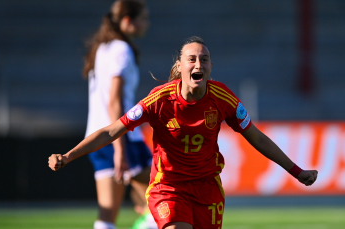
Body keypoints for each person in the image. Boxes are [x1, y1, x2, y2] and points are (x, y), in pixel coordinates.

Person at [49, 36, 318, 229]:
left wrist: (297, 171)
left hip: (207, 188)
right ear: (179, 66)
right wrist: (69, 155)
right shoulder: (158, 100)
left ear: (210, 67)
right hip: (169, 187)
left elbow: (257, 138)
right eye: (192, 59)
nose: (198, 64)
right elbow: (111, 131)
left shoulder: (224, 99)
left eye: (204, 59)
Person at [81, 0, 156, 228]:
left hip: (97, 137)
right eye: (143, 18)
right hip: (119, 136)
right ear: (127, 21)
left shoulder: (102, 48)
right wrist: (120, 148)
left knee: (107, 216)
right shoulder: (121, 50)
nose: (146, 24)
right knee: (167, 189)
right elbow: (114, 100)